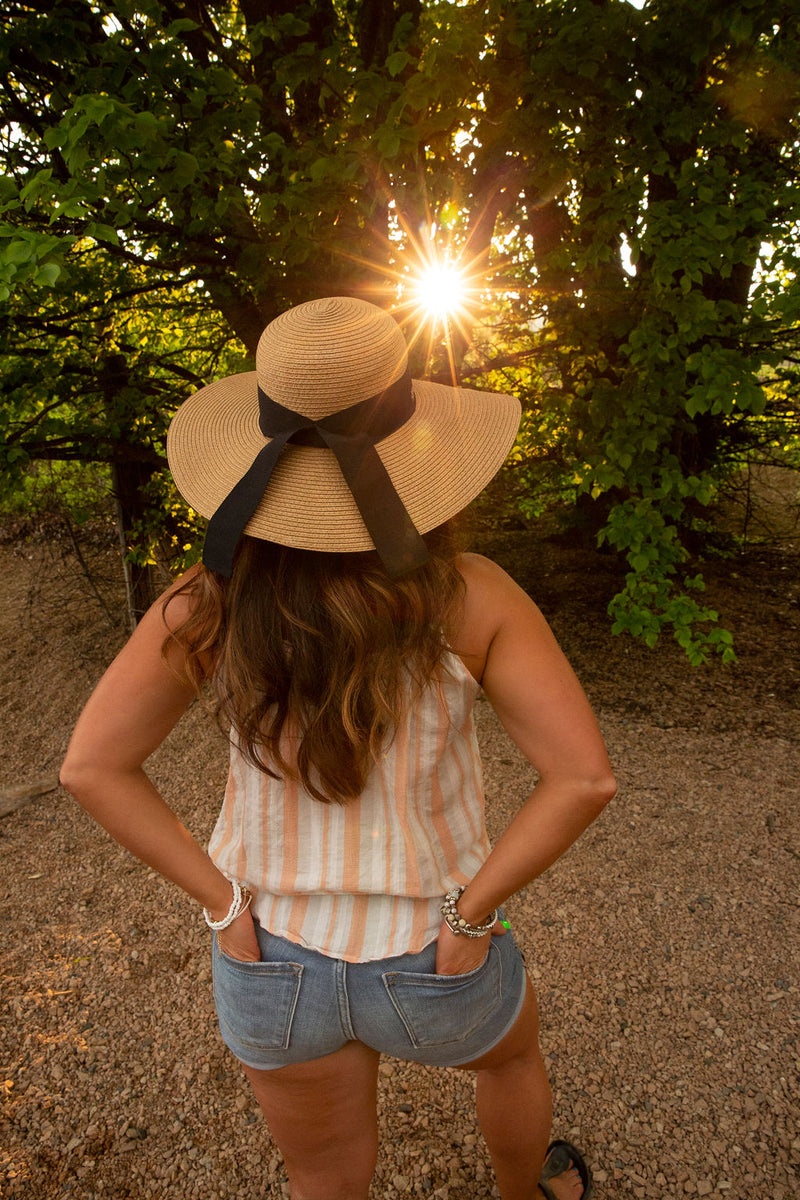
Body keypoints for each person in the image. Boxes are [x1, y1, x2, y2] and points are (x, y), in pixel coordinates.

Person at [61, 296, 616, 1200]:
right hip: (439, 948)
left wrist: (220, 903)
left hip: (269, 957)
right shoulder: (471, 597)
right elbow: (584, 778)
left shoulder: (210, 600)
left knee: (323, 1177)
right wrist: (474, 919)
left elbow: (91, 766)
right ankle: (530, 1194)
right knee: (510, 1066)